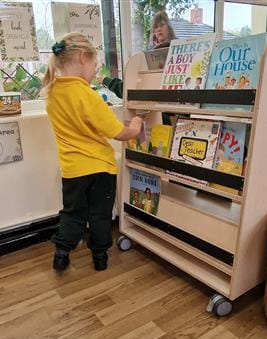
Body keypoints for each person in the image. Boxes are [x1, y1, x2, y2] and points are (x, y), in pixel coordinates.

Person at [42, 32, 143, 272]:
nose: (94, 73)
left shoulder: (52, 92)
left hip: (72, 170)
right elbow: (118, 133)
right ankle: (100, 258)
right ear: (82, 57)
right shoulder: (87, 94)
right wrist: (137, 125)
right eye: (94, 66)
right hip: (100, 169)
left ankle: (62, 252)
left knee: (72, 213)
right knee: (99, 215)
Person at [101, 11, 176, 99]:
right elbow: (131, 88)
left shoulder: (176, 50)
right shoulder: (150, 55)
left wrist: (105, 80)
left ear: (169, 27)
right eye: (156, 27)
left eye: (162, 25)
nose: (159, 29)